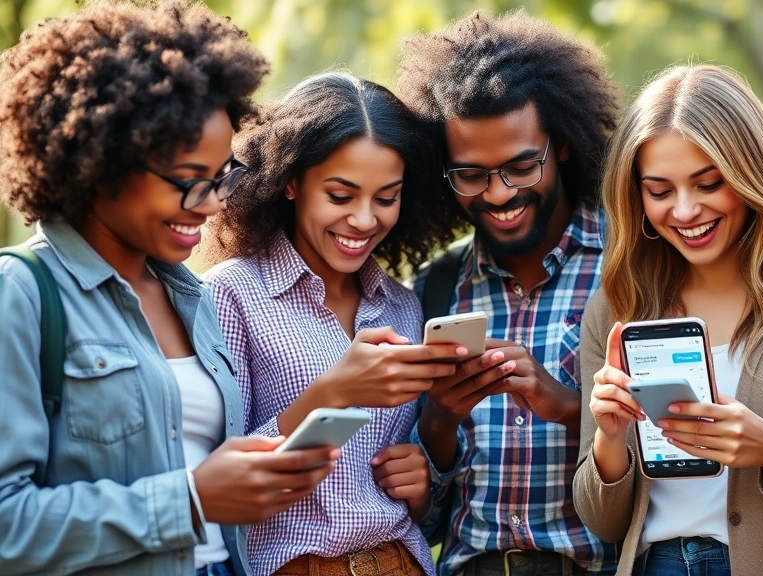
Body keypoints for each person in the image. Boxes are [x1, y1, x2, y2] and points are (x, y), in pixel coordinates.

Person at [0, 2, 337, 575]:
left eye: (220, 177)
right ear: (102, 164)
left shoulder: (192, 297)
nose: (212, 204)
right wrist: (191, 500)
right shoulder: (23, 296)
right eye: (188, 183)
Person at [573, 65, 763, 576]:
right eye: (659, 191)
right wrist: (609, 437)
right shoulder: (617, 307)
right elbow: (604, 523)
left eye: (708, 183)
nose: (685, 210)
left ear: (751, 175)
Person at [204, 72, 460, 576]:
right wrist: (330, 393)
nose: (365, 220)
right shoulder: (230, 294)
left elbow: (407, 487)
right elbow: (212, 475)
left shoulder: (403, 307)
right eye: (341, 196)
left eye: (386, 197)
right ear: (291, 181)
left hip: (403, 561)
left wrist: (422, 479)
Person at [395, 9, 621, 576]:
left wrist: (568, 407)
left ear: (563, 145)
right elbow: (419, 522)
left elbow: (684, 448)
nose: (499, 194)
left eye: (521, 166)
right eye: (471, 175)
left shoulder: (632, 267)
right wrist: (439, 421)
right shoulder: (433, 289)